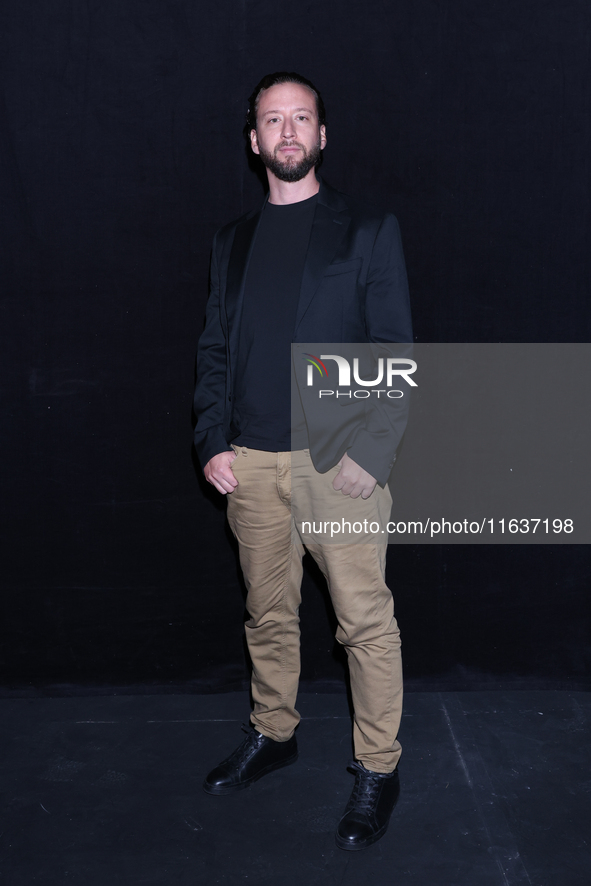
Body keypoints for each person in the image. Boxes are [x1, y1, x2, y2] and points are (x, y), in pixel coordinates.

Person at [193, 71, 412, 851]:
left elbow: (394, 351)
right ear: (254, 141)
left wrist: (370, 451)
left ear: (322, 135)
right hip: (250, 463)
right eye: (271, 121)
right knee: (267, 613)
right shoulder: (232, 240)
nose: (287, 133)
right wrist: (211, 441)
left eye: (301, 119)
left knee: (362, 623)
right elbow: (216, 347)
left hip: (337, 462)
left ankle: (377, 769)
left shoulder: (368, 231)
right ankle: (274, 732)